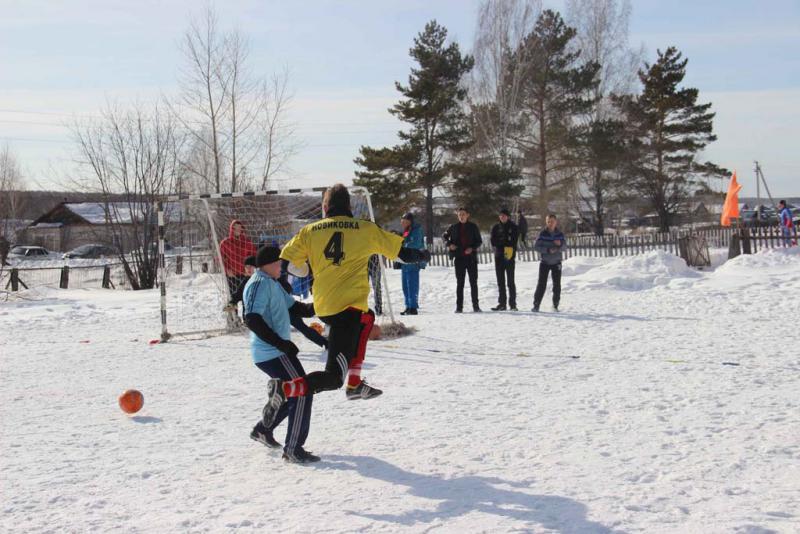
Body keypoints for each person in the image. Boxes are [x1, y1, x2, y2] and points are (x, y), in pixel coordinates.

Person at [260, 184, 430, 431]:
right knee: (332, 377)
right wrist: (423, 255)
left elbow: (285, 261)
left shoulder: (310, 230)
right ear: (349, 206)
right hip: (346, 311)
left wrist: (303, 269)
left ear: (325, 207)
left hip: (325, 305)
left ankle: (355, 383)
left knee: (368, 318)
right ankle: (284, 389)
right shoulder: (364, 229)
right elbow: (402, 254)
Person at [243, 245, 318, 463]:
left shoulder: (272, 283)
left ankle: (263, 430)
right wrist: (281, 344)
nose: (282, 268)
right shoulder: (258, 284)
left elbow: (297, 309)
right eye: (279, 263)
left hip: (276, 351)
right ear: (267, 265)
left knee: (297, 392)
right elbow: (252, 319)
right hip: (272, 352)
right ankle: (293, 449)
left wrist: (325, 303)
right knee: (303, 391)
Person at [443, 207, 482, 313]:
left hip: (471, 258)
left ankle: (476, 306)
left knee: (473, 282)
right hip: (459, 258)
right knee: (460, 283)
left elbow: (479, 241)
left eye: (463, 214)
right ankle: (459, 307)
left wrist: (472, 248)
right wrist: (449, 244)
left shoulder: (473, 227)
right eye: (459, 215)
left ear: (467, 215)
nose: (461, 216)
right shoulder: (453, 227)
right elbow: (444, 237)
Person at [532, 214, 566, 312]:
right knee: (541, 284)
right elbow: (536, 247)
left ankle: (555, 305)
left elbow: (565, 248)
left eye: (552, 221)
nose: (550, 223)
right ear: (546, 222)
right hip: (545, 262)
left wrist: (560, 245)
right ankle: (536, 305)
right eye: (548, 221)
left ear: (556, 222)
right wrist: (547, 250)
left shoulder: (560, 234)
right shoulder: (542, 233)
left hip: (557, 262)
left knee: (557, 285)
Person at [490, 208, 519, 311]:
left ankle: (513, 304)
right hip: (499, 254)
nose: (502, 217)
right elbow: (493, 241)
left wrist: (503, 242)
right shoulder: (496, 227)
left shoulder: (513, 227)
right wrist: (502, 242)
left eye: (504, 215)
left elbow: (513, 241)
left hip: (509, 253)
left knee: (510, 281)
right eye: (501, 215)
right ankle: (502, 304)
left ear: (508, 216)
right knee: (500, 280)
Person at [219, 220, 257, 298]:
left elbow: (254, 257)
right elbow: (220, 258)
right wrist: (227, 270)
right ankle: (234, 310)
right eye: (235, 227)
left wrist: (251, 269)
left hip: (245, 275)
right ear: (231, 229)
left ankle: (245, 310)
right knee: (233, 298)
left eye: (239, 227)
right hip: (232, 276)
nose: (238, 229)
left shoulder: (248, 243)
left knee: (246, 298)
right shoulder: (225, 243)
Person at [399, 212, 425, 315]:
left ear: (410, 221)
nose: (402, 223)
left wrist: (402, 245)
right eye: (402, 221)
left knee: (412, 284)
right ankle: (408, 306)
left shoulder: (416, 230)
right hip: (405, 261)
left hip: (413, 260)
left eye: (404, 221)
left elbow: (416, 243)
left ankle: (413, 307)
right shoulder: (406, 230)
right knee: (405, 285)